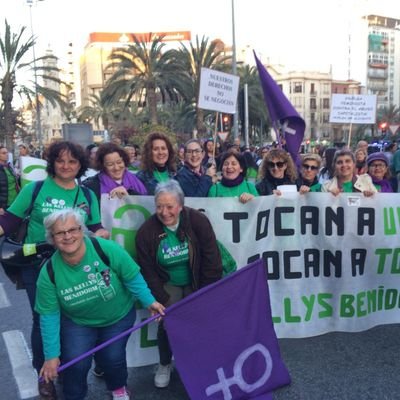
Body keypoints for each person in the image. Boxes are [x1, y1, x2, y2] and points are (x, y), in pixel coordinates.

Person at [0, 141, 108, 399]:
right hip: (37, 267)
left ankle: (69, 369)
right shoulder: (35, 190)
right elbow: (8, 221)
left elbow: (96, 226)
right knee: (43, 321)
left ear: (80, 165)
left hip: (74, 267)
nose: (66, 166)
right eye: (61, 160)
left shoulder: (87, 196)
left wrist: (104, 233)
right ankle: (44, 375)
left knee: (71, 319)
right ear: (52, 162)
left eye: (72, 161)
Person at [36, 208, 165, 400]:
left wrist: (149, 301)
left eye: (73, 229)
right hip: (79, 322)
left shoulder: (106, 249)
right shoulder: (48, 274)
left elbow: (132, 277)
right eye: (60, 233)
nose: (68, 236)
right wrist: (51, 356)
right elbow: (49, 316)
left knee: (113, 358)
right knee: (75, 363)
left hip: (117, 316)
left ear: (82, 230)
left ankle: (119, 388)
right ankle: (74, 395)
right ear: (52, 238)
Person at [136, 180, 222, 389]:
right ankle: (165, 363)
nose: (164, 212)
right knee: (167, 322)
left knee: (200, 320)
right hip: (168, 282)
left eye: (170, 206)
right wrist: (162, 299)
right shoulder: (146, 232)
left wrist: (204, 294)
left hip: (196, 279)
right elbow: (147, 272)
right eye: (159, 206)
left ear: (181, 206)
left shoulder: (198, 221)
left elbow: (212, 259)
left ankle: (199, 363)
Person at [82, 142, 147, 208]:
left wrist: (129, 198)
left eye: (119, 162)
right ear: (102, 165)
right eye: (110, 164)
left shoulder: (138, 180)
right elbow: (87, 210)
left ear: (124, 161)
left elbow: (147, 207)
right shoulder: (91, 186)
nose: (116, 168)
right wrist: (110, 199)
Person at [0, 145, 20, 215]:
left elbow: (14, 183)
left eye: (7, 152)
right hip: (5, 205)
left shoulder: (9, 166)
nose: (7, 154)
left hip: (15, 202)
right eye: (3, 153)